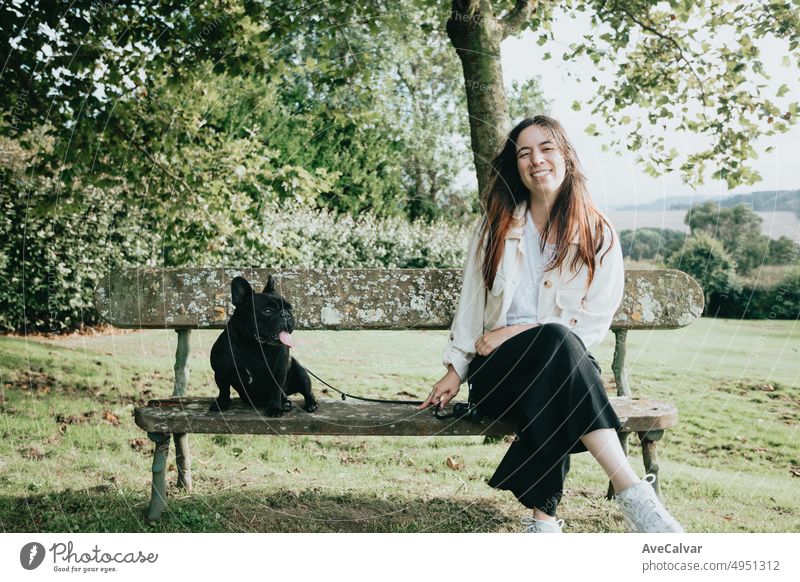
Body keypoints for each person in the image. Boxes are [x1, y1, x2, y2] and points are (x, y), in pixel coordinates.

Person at [418, 115, 684, 533]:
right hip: (498, 372)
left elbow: (593, 324)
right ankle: (631, 490)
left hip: (561, 367)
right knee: (561, 364)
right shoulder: (496, 226)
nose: (536, 160)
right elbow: (471, 302)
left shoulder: (598, 232)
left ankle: (543, 524)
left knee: (557, 361)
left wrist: (516, 330)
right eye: (525, 153)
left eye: (546, 149)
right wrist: (455, 369)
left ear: (566, 158)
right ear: (516, 166)